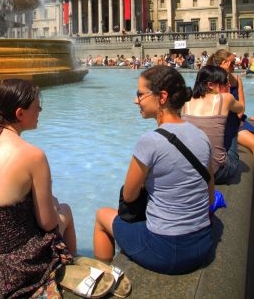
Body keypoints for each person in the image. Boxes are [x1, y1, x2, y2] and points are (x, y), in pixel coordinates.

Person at [0, 79, 76, 298]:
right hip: (11, 266)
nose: (40, 110)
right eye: (37, 107)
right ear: (20, 113)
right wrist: (56, 210)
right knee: (64, 209)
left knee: (52, 202)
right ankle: (72, 271)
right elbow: (47, 224)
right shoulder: (33, 155)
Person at [93, 66, 214, 274]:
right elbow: (210, 199)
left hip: (166, 250)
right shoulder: (201, 136)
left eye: (140, 94)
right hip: (202, 245)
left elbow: (129, 196)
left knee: (101, 216)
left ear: (162, 97)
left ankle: (104, 276)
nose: (135, 100)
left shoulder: (150, 141)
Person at [182, 66, 244, 184]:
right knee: (233, 117)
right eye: (225, 82)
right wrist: (238, 88)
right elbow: (241, 109)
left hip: (190, 172)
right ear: (210, 85)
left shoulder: (186, 101)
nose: (228, 85)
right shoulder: (226, 98)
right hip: (219, 172)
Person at [207, 49, 245, 150]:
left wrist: (236, 122)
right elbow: (216, 104)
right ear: (223, 63)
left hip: (235, 120)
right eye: (232, 63)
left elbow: (242, 106)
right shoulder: (211, 81)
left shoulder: (237, 79)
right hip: (218, 122)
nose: (234, 65)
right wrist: (225, 77)